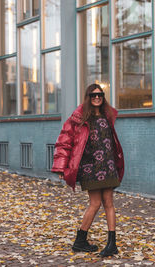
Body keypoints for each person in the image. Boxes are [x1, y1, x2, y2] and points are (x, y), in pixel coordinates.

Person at [51, 83, 124, 257]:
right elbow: (64, 142)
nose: (97, 97)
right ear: (88, 97)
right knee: (95, 204)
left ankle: (112, 244)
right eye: (93, 95)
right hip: (90, 167)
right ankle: (80, 241)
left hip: (108, 166)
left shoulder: (108, 116)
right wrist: (61, 167)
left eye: (100, 95)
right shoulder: (78, 118)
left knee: (109, 204)